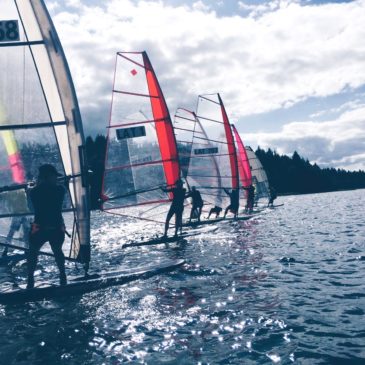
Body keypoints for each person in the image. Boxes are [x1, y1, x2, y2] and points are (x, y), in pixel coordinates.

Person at [27, 164, 67, 289]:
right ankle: (63, 276)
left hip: (40, 229)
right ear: (48, 176)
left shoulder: (34, 192)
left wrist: (30, 185)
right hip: (56, 228)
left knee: (33, 252)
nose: (56, 178)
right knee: (57, 251)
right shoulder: (60, 190)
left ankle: (30, 280)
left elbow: (30, 192)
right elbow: (61, 187)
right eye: (54, 176)